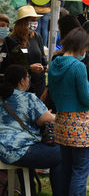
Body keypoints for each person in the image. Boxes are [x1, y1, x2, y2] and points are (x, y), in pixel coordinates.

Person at [48, 27, 89, 196]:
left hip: (61, 122)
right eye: (86, 49)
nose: (86, 52)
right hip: (79, 125)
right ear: (81, 47)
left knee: (66, 170)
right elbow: (86, 100)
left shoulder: (53, 65)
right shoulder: (78, 67)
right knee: (80, 172)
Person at [0, 64, 62, 196]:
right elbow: (48, 119)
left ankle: (29, 191)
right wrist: (49, 114)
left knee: (30, 156)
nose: (29, 80)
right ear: (22, 80)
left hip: (2, 150)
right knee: (61, 154)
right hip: (18, 150)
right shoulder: (28, 98)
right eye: (28, 77)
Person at [1, 5, 48, 98]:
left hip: (38, 85)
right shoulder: (11, 40)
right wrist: (29, 68)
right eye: (32, 20)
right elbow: (8, 66)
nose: (35, 23)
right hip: (20, 88)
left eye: (35, 20)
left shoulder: (37, 37)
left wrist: (45, 66)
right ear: (23, 22)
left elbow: (42, 57)